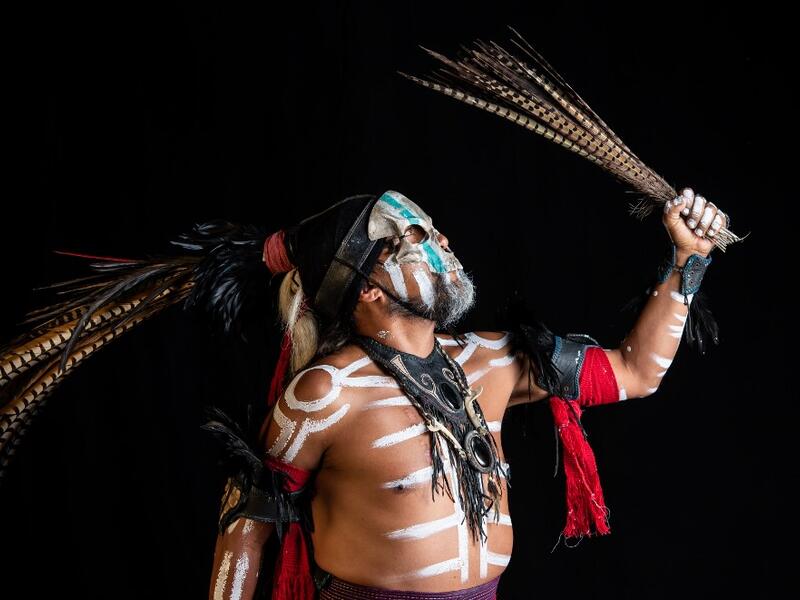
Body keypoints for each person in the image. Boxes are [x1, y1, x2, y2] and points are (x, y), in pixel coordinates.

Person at [205, 187, 726, 600]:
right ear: (367, 287)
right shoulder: (325, 394)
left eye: (433, 229)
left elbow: (635, 372)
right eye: (415, 237)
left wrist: (689, 259)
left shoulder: (493, 359)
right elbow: (245, 523)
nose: (444, 242)